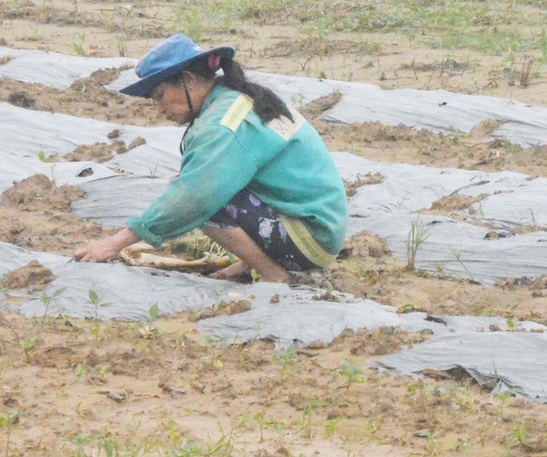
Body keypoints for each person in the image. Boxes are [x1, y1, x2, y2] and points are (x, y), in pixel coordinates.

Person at [72, 35, 348, 284]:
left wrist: (115, 243)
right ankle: (250, 261)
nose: (160, 109)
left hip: (310, 237)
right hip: (322, 224)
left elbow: (194, 197)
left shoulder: (222, 124)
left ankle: (274, 274)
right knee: (218, 181)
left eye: (161, 96)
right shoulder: (237, 98)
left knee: (206, 197)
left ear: (189, 81)